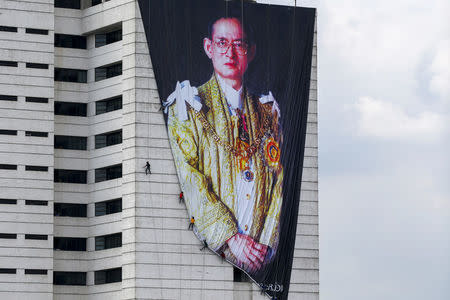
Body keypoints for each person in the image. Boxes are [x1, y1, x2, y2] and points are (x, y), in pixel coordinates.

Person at [165, 14, 283, 275]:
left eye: (239, 44)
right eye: (222, 43)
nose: (230, 53)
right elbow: (188, 178)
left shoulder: (268, 114)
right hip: (212, 255)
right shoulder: (187, 107)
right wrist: (231, 237)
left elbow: (278, 185)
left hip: (260, 259)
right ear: (209, 48)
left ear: (250, 51)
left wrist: (263, 249)